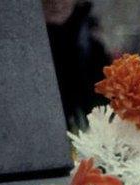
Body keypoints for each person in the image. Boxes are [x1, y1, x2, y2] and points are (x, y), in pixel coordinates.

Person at [42, 0, 111, 128]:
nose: (57, 4)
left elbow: (103, 98)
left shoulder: (91, 38)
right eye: (47, 1)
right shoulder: (28, 44)